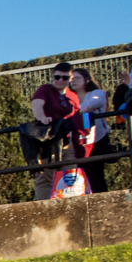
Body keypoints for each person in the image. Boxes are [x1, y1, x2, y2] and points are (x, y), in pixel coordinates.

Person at [22, 62, 78, 200]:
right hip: (47, 140)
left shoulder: (73, 96)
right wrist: (42, 118)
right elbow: (37, 104)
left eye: (64, 78)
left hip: (66, 141)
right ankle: (43, 208)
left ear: (70, 79)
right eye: (57, 77)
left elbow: (78, 114)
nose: (59, 80)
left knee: (70, 176)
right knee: (45, 178)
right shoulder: (45, 89)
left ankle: (70, 206)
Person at [69, 67, 111, 194]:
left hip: (96, 142)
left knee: (96, 177)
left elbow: (91, 105)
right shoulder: (69, 99)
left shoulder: (96, 93)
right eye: (71, 79)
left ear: (87, 79)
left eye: (77, 78)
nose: (73, 81)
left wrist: (72, 114)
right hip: (76, 144)